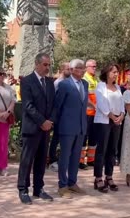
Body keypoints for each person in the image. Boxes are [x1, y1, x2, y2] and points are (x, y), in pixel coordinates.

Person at [17, 53, 56, 205]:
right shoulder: (27, 81)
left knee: (41, 161)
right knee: (27, 160)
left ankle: (38, 189)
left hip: (45, 128)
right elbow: (28, 106)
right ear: (37, 64)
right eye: (45, 65)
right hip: (32, 127)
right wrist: (42, 121)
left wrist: (50, 121)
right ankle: (23, 189)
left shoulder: (50, 82)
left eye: (49, 65)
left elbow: (53, 105)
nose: (47, 68)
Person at [55, 59, 88, 198]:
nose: (82, 70)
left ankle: (72, 182)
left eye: (83, 68)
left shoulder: (84, 84)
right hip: (67, 126)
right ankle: (62, 185)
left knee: (76, 156)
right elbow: (58, 105)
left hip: (81, 126)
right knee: (65, 156)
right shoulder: (64, 85)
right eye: (80, 68)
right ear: (73, 69)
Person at [93, 63, 124, 193]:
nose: (116, 74)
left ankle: (109, 176)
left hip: (117, 121)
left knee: (113, 149)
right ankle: (98, 178)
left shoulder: (117, 87)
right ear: (106, 73)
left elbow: (121, 103)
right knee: (102, 150)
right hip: (104, 121)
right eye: (113, 72)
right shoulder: (101, 86)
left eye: (117, 72)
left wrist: (122, 115)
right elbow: (101, 103)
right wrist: (111, 116)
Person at [49, 62, 71, 172]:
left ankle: (62, 159)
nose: (70, 70)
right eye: (68, 69)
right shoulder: (58, 83)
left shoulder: (69, 82)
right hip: (59, 115)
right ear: (62, 70)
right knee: (56, 138)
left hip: (67, 115)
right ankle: (52, 160)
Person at [81, 59, 99, 168]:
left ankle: (91, 159)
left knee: (93, 137)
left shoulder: (95, 79)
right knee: (84, 137)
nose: (95, 68)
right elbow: (85, 96)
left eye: (96, 66)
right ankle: (80, 160)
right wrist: (94, 105)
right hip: (87, 112)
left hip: (95, 114)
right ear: (87, 67)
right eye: (93, 66)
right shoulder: (85, 79)